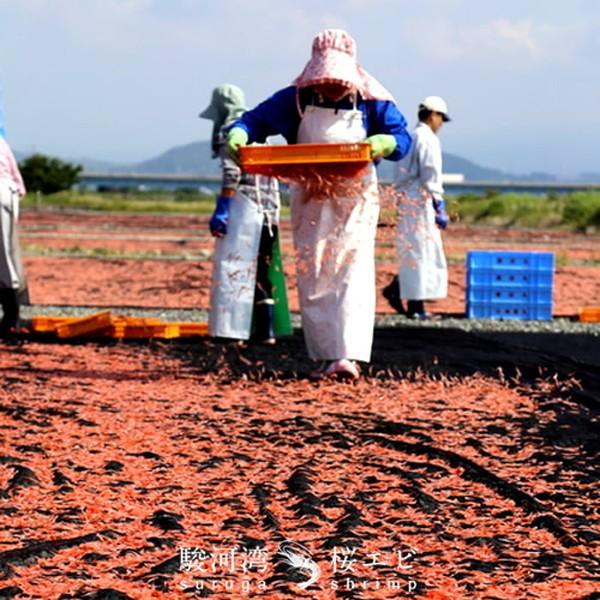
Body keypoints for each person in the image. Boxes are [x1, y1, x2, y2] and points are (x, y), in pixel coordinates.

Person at [226, 29, 412, 380]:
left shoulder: (373, 101)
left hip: (355, 197)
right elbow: (252, 121)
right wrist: (238, 134)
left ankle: (349, 355)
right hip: (311, 195)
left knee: (352, 269)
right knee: (315, 271)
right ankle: (328, 357)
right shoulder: (295, 99)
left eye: (338, 81)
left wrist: (383, 143)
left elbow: (403, 139)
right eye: (326, 80)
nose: (332, 87)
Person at [200, 84, 291, 344]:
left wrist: (223, 208)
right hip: (269, 211)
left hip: (244, 208)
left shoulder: (231, 131)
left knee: (235, 266)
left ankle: (231, 331)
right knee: (262, 268)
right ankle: (266, 331)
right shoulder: (259, 130)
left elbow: (232, 173)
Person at [382, 96, 450, 319]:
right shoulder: (428, 139)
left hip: (406, 200)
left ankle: (402, 292)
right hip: (421, 201)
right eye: (441, 118)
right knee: (422, 252)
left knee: (412, 251)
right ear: (433, 115)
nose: (441, 123)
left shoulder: (409, 137)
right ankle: (415, 305)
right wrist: (438, 203)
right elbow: (431, 174)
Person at [0, 131, 28, 335]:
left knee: (2, 258)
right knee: (6, 254)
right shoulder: (1, 141)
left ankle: (11, 317)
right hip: (7, 193)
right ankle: (11, 314)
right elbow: (19, 184)